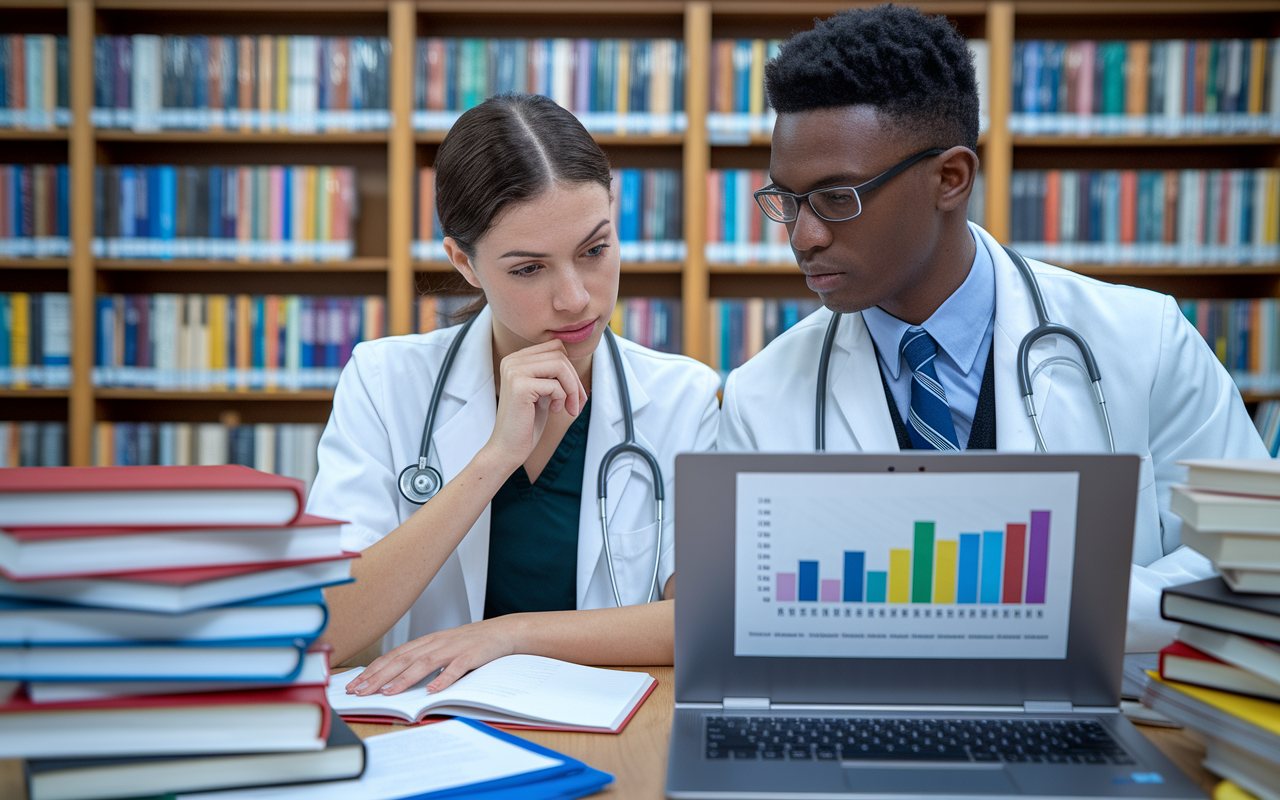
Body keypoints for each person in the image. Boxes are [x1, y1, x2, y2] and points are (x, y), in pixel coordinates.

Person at [716, 5, 1269, 652]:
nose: (803, 237)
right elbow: (750, 617)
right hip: (866, 721)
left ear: (950, 179)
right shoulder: (759, 395)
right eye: (787, 200)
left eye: (839, 199)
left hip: (1105, 720)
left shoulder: (1146, 342)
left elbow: (1245, 564)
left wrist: (1017, 602)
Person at [309, 93, 721, 695]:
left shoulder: (684, 395)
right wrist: (494, 459)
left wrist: (509, 635)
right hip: (437, 733)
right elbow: (327, 629)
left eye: (595, 250)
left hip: (608, 729)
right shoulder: (384, 381)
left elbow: (706, 622)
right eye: (529, 268)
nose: (576, 298)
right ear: (464, 262)